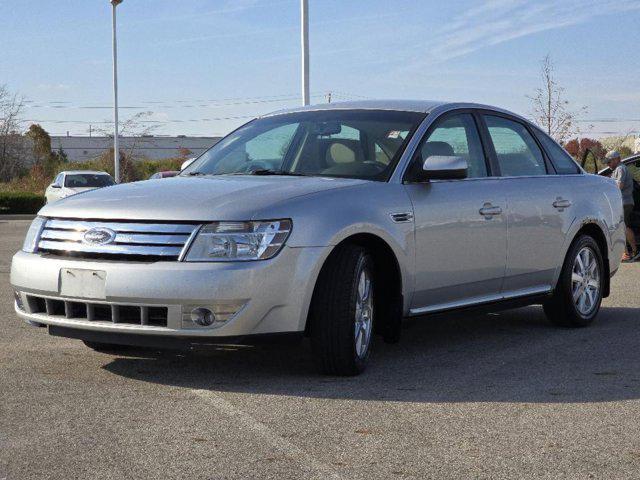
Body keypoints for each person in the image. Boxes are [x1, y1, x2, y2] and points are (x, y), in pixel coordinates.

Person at [604, 150, 638, 262]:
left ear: (617, 159)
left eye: (609, 161)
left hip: (624, 202)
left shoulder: (620, 169)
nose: (608, 164)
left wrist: (604, 186)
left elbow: (618, 186)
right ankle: (629, 252)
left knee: (623, 227)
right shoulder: (618, 169)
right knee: (623, 227)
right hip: (624, 202)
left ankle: (631, 252)